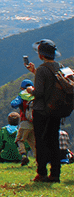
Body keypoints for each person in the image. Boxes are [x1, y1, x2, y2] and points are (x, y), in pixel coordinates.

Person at [24, 39, 65, 183]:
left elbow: (39, 92)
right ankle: (55, 174)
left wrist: (30, 90)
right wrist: (34, 71)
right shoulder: (59, 66)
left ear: (41, 55)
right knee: (53, 141)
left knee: (41, 142)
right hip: (56, 110)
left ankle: (41, 173)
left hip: (41, 111)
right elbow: (51, 85)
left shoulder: (42, 69)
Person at [10, 79, 35, 166]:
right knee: (33, 143)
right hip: (35, 123)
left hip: (24, 122)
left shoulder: (22, 95)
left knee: (19, 140)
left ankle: (23, 155)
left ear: (22, 88)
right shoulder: (35, 95)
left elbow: (13, 104)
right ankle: (39, 161)